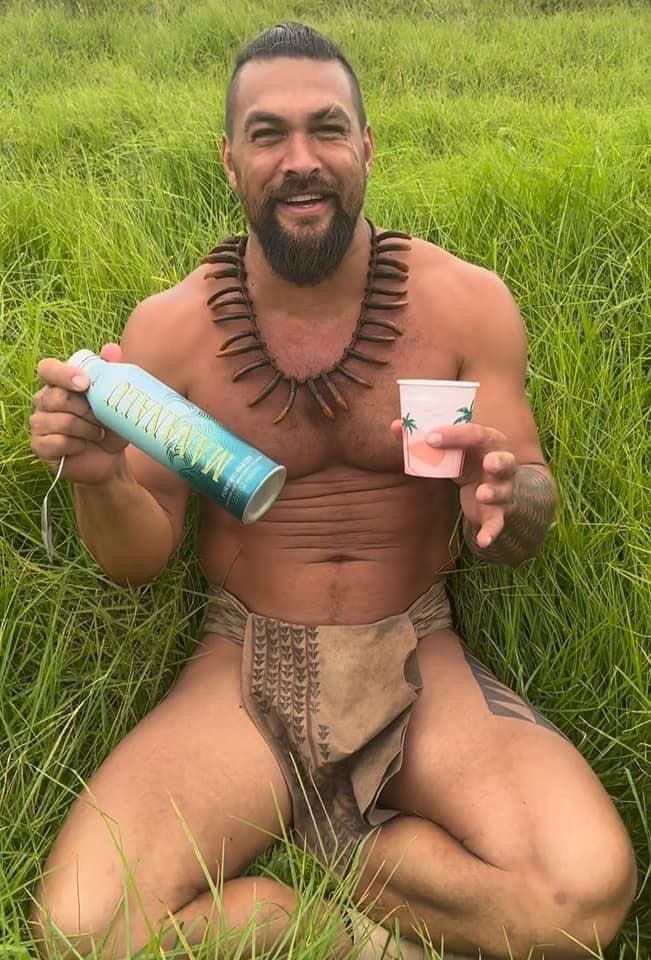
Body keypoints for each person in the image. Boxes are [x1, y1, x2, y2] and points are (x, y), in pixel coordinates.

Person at [28, 21, 636, 960]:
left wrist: (508, 501)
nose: (300, 159)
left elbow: (529, 512)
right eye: (268, 134)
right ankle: (286, 917)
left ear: (365, 146)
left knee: (580, 895)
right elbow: (138, 561)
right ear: (230, 162)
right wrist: (100, 475)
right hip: (243, 664)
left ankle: (356, 855)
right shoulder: (174, 330)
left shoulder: (464, 302)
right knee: (80, 929)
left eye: (326, 128)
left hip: (413, 650)